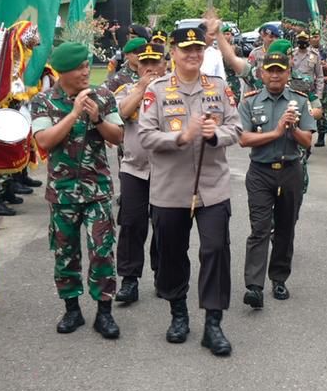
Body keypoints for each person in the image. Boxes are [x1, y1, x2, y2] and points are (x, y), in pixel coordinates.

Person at [137, 24, 242, 357]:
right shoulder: (156, 90)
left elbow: (236, 127)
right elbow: (146, 136)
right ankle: (178, 312)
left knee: (215, 250)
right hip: (170, 188)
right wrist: (180, 138)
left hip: (212, 185)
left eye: (198, 50)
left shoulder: (219, 88)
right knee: (171, 252)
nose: (194, 56)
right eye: (187, 51)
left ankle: (214, 323)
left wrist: (215, 135)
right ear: (174, 53)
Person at [30, 42, 125, 339]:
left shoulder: (103, 96)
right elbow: (44, 142)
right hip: (63, 193)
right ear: (64, 72)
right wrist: (73, 114)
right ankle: (72, 310)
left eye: (87, 66)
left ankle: (104, 314)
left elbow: (118, 137)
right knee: (65, 253)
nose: (87, 72)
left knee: (102, 250)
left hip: (96, 190)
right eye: (81, 68)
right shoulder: (44, 101)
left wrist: (96, 118)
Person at [238, 40, 314, 307]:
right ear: (261, 73)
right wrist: (276, 132)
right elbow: (244, 139)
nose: (274, 75)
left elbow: (308, 141)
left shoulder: (299, 102)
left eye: (279, 70)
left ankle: (279, 279)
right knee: (259, 229)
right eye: (269, 70)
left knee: (284, 229)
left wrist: (292, 130)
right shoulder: (250, 102)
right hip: (260, 172)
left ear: (287, 73)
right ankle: (254, 287)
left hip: (290, 170)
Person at [112, 42, 166, 304]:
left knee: (165, 225)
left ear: (165, 64)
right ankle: (129, 280)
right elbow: (121, 114)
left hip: (167, 170)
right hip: (134, 168)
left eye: (156, 63)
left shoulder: (175, 91)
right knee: (132, 224)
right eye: (146, 64)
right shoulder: (127, 90)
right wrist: (142, 88)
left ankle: (163, 274)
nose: (151, 68)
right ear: (138, 66)